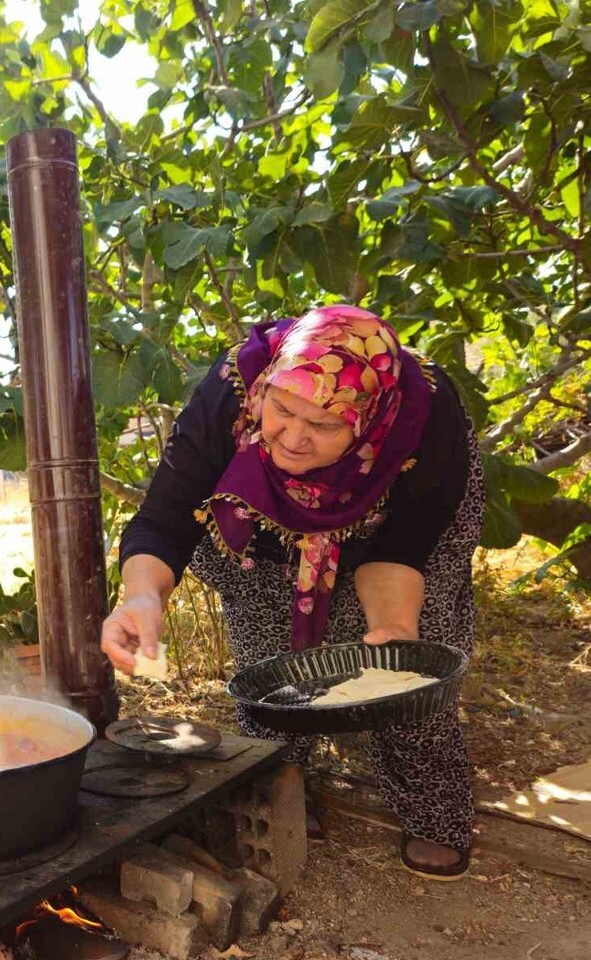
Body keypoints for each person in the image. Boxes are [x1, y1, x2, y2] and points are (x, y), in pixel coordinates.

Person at [101, 305, 483, 881]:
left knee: (408, 677)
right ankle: (286, 788)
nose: (293, 439)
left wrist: (396, 631)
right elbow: (165, 520)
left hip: (388, 527)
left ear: (367, 422)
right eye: (280, 409)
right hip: (264, 529)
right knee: (271, 666)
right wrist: (144, 598)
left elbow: (400, 550)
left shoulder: (425, 421)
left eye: (326, 425)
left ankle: (432, 812)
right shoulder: (229, 393)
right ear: (266, 388)